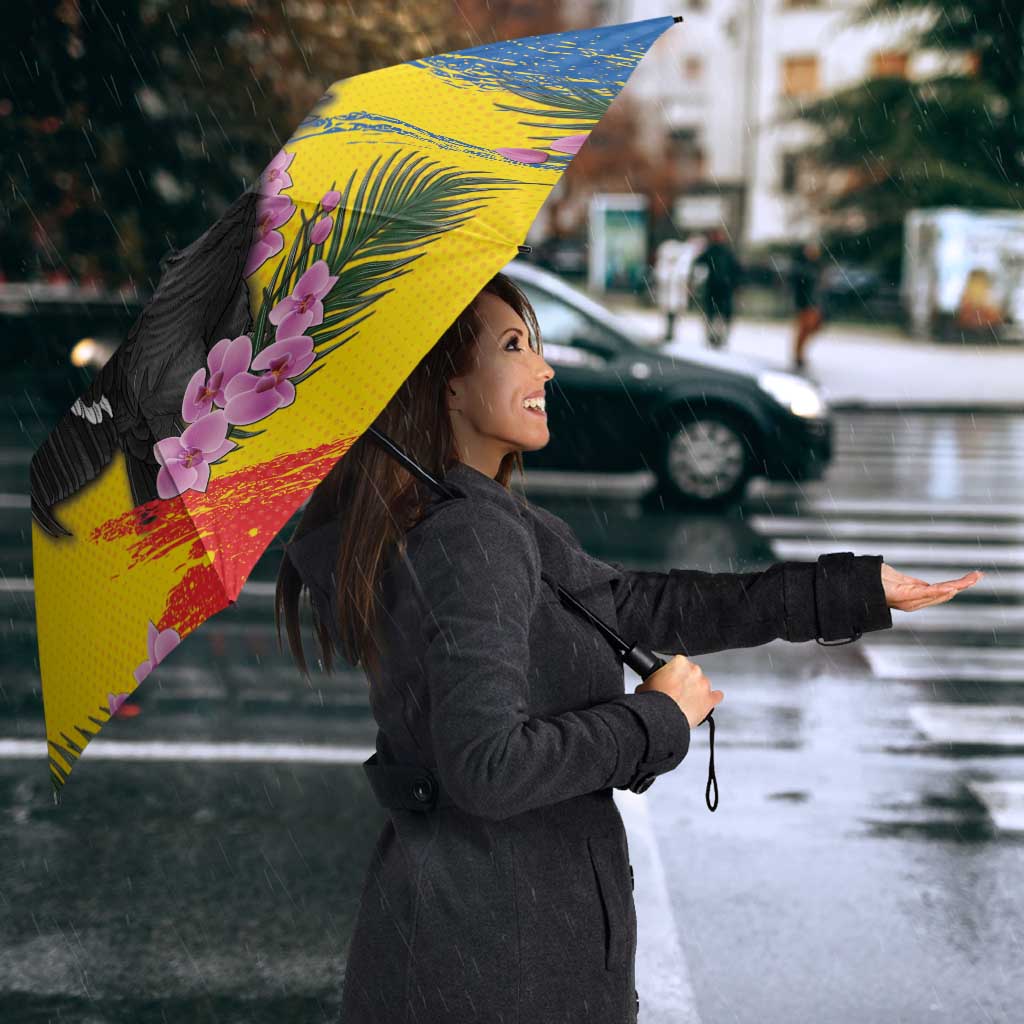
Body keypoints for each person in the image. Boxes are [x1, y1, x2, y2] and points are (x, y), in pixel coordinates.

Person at [276, 271, 981, 1024]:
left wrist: (850, 590)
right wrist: (654, 719)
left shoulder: (481, 519)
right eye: (514, 346)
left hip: (481, 943)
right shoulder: (469, 536)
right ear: (445, 386)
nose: (544, 367)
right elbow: (487, 767)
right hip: (496, 962)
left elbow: (643, 605)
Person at [692, 226, 742, 349]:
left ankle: (719, 337)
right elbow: (698, 264)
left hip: (723, 288)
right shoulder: (712, 251)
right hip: (715, 288)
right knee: (713, 314)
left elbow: (736, 270)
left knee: (720, 315)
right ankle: (713, 337)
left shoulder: (725, 252)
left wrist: (735, 284)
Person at [790, 239, 826, 370]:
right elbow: (799, 286)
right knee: (804, 329)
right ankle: (798, 355)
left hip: (814, 303)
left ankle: (799, 354)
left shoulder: (817, 266)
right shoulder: (802, 267)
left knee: (812, 328)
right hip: (805, 303)